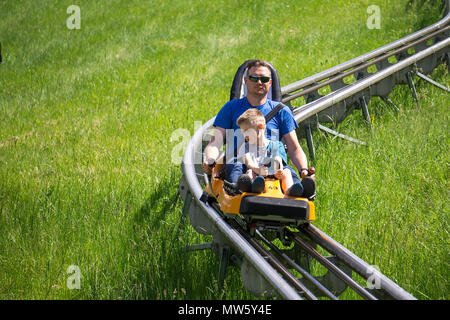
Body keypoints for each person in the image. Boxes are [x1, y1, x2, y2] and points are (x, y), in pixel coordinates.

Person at [202, 59, 315, 198]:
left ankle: (298, 191)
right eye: (254, 78)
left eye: (264, 79)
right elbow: (215, 142)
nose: (259, 82)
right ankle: (240, 188)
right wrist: (210, 159)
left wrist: (304, 170)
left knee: (288, 172)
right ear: (245, 81)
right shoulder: (231, 108)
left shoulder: (281, 111)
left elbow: (294, 147)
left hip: (271, 162)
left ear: (270, 82)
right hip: (240, 160)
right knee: (237, 167)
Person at [235, 108, 305, 196]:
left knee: (287, 171)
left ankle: (289, 190)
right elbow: (248, 162)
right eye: (243, 132)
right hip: (257, 173)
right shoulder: (246, 147)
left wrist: (278, 170)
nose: (245, 135)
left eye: (246, 131)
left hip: (274, 173)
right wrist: (257, 169)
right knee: (249, 173)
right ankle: (256, 187)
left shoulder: (276, 145)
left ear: (260, 127)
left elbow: (278, 158)